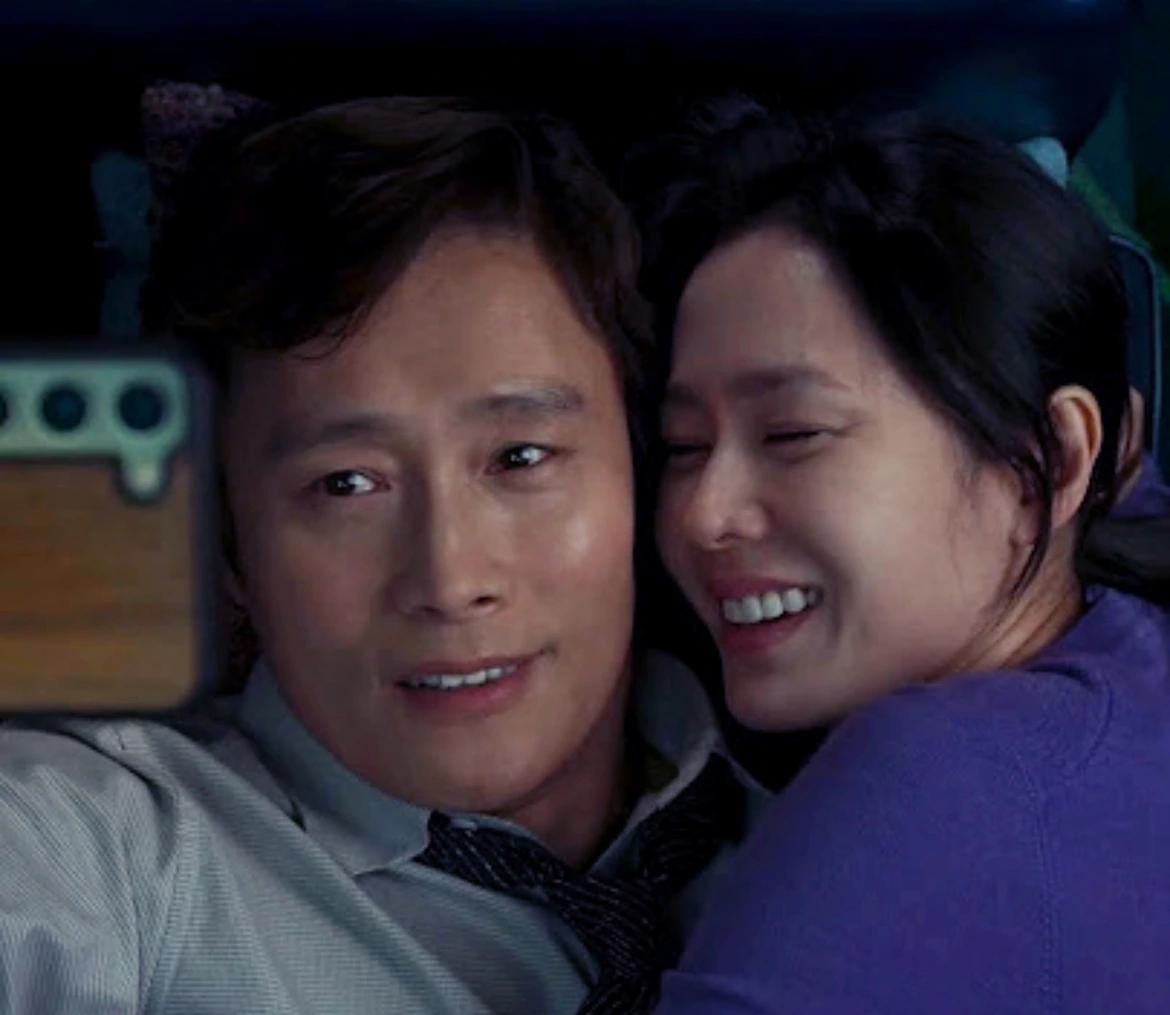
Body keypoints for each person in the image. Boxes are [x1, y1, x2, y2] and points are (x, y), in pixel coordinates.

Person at [0, 96, 766, 1015]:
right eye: (346, 484)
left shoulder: (837, 818)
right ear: (229, 546)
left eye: (522, 458)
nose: (451, 579)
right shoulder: (101, 847)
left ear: (642, 468)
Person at [633, 97, 1170, 1013]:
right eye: (682, 446)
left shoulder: (938, 781)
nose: (702, 513)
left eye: (793, 433)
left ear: (1047, 462)